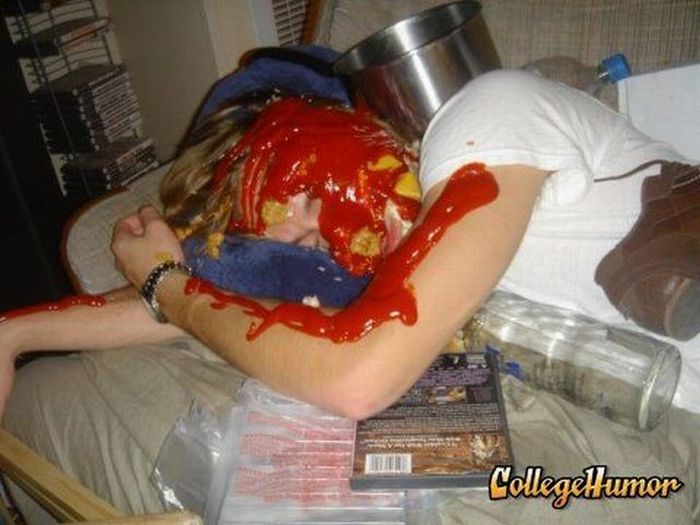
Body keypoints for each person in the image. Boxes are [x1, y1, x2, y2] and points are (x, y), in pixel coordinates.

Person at [2, 69, 700, 522]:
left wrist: (167, 283)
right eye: (307, 243)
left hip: (657, 436)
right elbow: (238, 307)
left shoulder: (488, 116)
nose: (336, 239)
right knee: (97, 394)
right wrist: (18, 333)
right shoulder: (386, 261)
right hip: (531, 393)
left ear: (353, 125)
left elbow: (357, 378)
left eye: (310, 194)